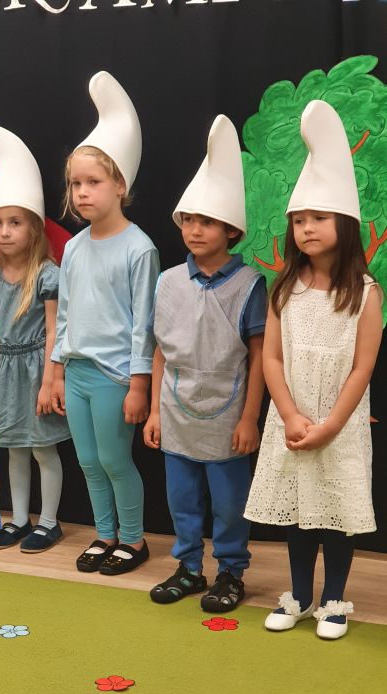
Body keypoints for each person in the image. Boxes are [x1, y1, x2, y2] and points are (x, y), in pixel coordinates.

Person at [245, 100, 383, 640]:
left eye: (318, 218)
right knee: (300, 514)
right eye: (299, 220)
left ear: (344, 224)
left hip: (339, 426)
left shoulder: (365, 293)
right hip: (292, 422)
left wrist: (330, 425)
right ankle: (299, 596)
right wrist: (290, 415)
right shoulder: (285, 289)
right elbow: (272, 358)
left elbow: (363, 366)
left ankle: (334, 600)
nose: (306, 228)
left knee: (335, 515)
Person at [144, 116, 267, 610]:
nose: (195, 229)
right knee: (182, 499)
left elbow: (259, 356)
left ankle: (231, 571)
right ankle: (189, 568)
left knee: (230, 504)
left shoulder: (250, 285)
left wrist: (249, 417)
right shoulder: (169, 281)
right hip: (176, 410)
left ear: (231, 229)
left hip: (227, 412)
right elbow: (160, 348)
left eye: (207, 221)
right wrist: (155, 411)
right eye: (188, 220)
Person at [51, 71, 159, 575]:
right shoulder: (73, 248)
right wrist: (56, 371)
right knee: (89, 462)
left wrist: (140, 385)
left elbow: (144, 326)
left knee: (115, 461)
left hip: (116, 376)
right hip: (77, 372)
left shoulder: (139, 249)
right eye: (75, 184)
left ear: (120, 185)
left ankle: (133, 540)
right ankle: (105, 535)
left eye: (93, 182)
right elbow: (66, 315)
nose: (82, 192)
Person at [0, 124, 70, 553]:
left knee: (43, 448)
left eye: (15, 223)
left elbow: (53, 331)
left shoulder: (47, 275)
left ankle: (49, 522)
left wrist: (49, 381)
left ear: (33, 228)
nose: (5, 231)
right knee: (13, 448)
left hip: (36, 370)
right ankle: (17, 519)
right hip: (3, 371)